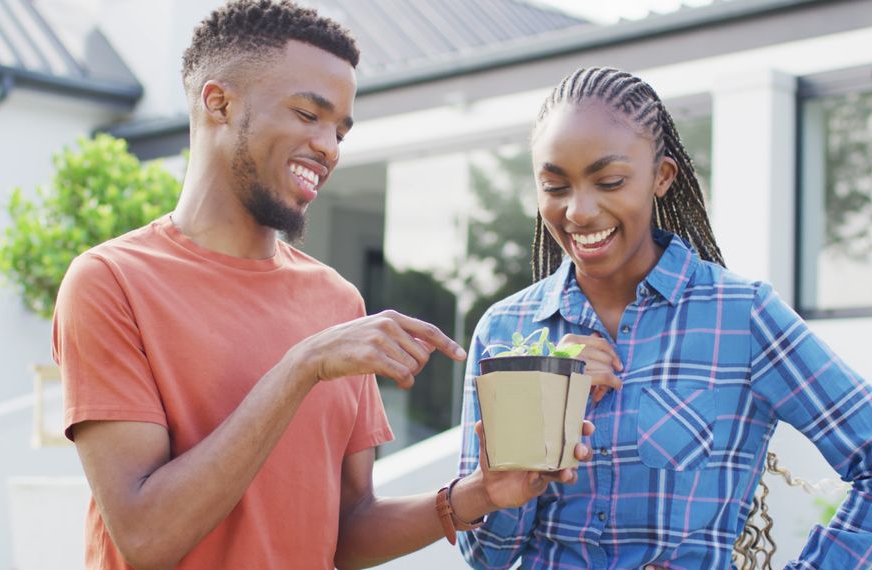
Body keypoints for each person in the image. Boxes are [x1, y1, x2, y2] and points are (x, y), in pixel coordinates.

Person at [53, 2, 593, 568]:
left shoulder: (336, 302)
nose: (330, 147)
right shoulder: (111, 282)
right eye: (309, 115)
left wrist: (480, 493)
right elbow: (145, 537)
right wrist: (302, 365)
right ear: (220, 104)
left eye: (340, 128)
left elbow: (350, 530)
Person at [456, 67, 872, 569]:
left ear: (662, 177)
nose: (578, 210)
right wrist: (539, 411)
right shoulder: (506, 331)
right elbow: (485, 556)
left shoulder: (740, 316)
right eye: (555, 186)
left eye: (610, 181)